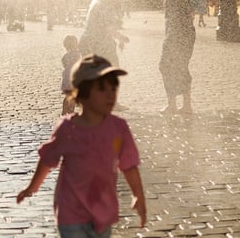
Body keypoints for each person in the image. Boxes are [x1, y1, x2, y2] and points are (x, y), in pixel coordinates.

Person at [16, 54, 146, 235]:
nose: (110, 94)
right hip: (71, 211)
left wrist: (138, 195)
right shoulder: (67, 129)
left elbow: (129, 165)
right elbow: (48, 159)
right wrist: (32, 187)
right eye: (102, 88)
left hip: (103, 210)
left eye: (113, 88)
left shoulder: (118, 128)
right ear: (82, 95)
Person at [148, 0, 195, 113]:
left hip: (179, 34)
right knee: (176, 66)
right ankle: (182, 105)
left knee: (169, 66)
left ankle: (178, 105)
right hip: (177, 33)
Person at [78, 0, 129, 67]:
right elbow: (109, 29)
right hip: (98, 44)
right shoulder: (104, 6)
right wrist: (122, 38)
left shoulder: (97, 3)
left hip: (88, 42)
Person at [60, 34, 80, 115]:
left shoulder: (65, 56)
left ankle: (64, 110)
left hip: (66, 77)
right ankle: (71, 110)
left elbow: (64, 65)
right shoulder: (77, 54)